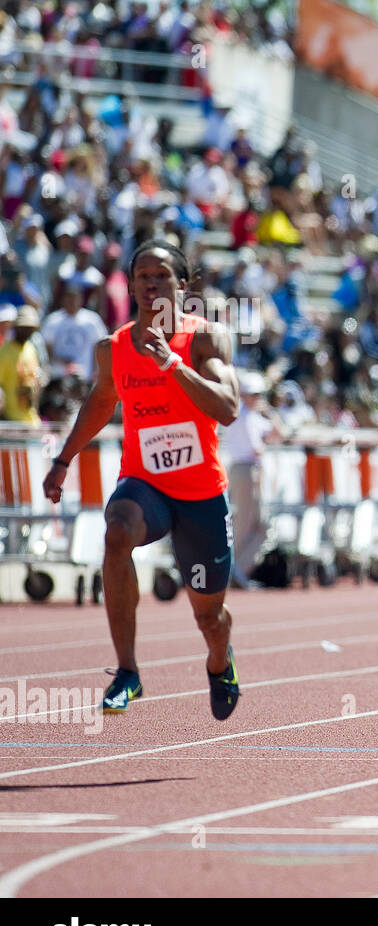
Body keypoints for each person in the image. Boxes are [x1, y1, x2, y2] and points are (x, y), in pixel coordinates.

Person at [41, 240, 242, 719]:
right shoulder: (113, 349)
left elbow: (228, 408)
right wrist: (63, 459)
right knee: (117, 531)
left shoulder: (205, 339)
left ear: (183, 285)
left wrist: (171, 364)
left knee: (209, 618)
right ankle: (128, 671)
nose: (152, 284)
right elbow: (98, 404)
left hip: (199, 494)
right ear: (130, 285)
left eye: (162, 276)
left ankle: (220, 662)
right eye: (143, 276)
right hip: (144, 483)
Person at [224, 370, 282, 589]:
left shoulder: (253, 417)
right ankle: (231, 570)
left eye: (259, 395)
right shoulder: (242, 417)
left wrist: (270, 412)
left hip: (249, 471)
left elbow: (279, 433)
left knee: (261, 524)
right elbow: (257, 449)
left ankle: (237, 570)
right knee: (245, 523)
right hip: (245, 470)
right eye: (253, 394)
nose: (257, 399)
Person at [0, 304, 42, 424]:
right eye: (24, 327)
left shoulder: (31, 349)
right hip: (10, 419)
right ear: (16, 327)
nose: (27, 331)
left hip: (31, 419)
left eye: (30, 327)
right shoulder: (4, 352)